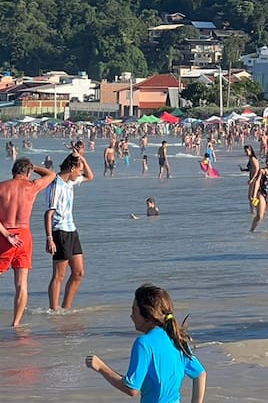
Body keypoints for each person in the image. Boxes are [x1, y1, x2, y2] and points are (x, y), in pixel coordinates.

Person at [86, 284, 206, 403]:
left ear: (148, 315)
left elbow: (131, 389)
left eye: (134, 310)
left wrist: (100, 367)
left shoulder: (143, 343)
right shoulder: (177, 338)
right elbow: (200, 374)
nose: (131, 316)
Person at [0, 158, 57, 326]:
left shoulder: (2, 187)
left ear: (13, 171)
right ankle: (15, 323)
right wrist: (34, 167)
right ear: (28, 172)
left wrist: (6, 235)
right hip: (24, 236)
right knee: (21, 283)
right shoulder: (32, 187)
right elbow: (52, 174)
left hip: (5, 235)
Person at [46, 151, 95, 312]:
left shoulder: (70, 182)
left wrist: (82, 159)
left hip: (72, 230)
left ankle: (66, 308)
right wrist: (49, 238)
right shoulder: (56, 185)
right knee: (59, 275)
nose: (80, 173)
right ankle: (54, 311)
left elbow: (90, 176)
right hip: (59, 232)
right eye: (79, 170)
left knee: (79, 272)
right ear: (72, 168)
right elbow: (49, 213)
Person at [250, 155, 268, 233]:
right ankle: (251, 230)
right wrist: (254, 195)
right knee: (260, 216)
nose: (267, 163)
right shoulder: (262, 171)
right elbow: (257, 182)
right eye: (266, 161)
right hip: (262, 193)